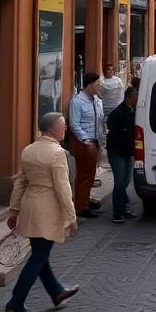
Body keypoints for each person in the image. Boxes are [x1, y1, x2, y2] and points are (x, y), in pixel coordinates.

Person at [5, 112, 80, 312]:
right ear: (53, 129)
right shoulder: (57, 153)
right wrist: (72, 217)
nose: (65, 128)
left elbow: (21, 182)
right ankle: (15, 303)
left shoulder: (28, 150)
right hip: (46, 211)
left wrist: (14, 209)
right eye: (63, 125)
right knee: (38, 257)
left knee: (40, 254)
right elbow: (63, 188)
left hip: (30, 208)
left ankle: (57, 292)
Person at [69, 73, 104, 218]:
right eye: (97, 84)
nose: (99, 86)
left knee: (90, 175)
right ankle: (81, 207)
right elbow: (74, 124)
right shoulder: (78, 101)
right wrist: (85, 140)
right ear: (89, 85)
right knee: (84, 175)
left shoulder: (96, 100)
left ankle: (85, 201)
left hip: (95, 141)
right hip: (84, 143)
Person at [106, 87, 139, 223]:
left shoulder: (135, 112)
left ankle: (124, 206)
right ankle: (118, 212)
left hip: (128, 152)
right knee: (120, 182)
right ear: (129, 97)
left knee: (126, 180)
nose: (138, 100)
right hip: (117, 152)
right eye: (136, 97)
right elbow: (114, 131)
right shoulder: (118, 113)